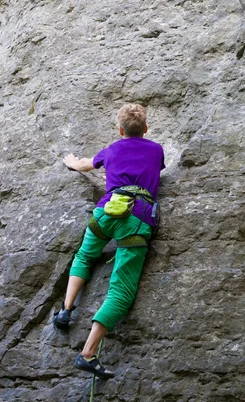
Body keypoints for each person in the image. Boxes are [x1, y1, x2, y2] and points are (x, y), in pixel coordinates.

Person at [53, 103, 165, 379]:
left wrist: (71, 162)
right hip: (136, 219)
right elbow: (156, 170)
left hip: (105, 211)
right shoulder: (156, 149)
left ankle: (65, 311)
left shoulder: (112, 149)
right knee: (121, 290)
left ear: (119, 129)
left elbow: (84, 165)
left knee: (84, 256)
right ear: (146, 128)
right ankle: (88, 354)